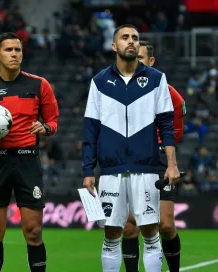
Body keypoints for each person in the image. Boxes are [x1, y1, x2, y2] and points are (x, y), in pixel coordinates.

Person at [82, 24, 181, 272]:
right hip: (111, 170)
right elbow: (90, 129)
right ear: (114, 46)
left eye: (135, 38)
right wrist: (87, 170)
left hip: (146, 168)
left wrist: (171, 164)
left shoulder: (157, 79)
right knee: (112, 235)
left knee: (150, 233)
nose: (131, 41)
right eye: (125, 37)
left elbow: (166, 126)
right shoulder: (99, 82)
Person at [0, 32, 59, 272]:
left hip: (27, 162)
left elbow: (53, 121)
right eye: (9, 50)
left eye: (18, 50)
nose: (14, 54)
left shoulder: (39, 85)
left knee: (34, 231)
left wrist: (46, 127)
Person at [121, 40, 185, 272]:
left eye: (140, 58)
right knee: (130, 226)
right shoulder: (118, 90)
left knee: (165, 225)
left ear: (151, 61)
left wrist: (169, 160)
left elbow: (175, 131)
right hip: (129, 159)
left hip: (158, 159)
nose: (136, 62)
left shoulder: (170, 94)